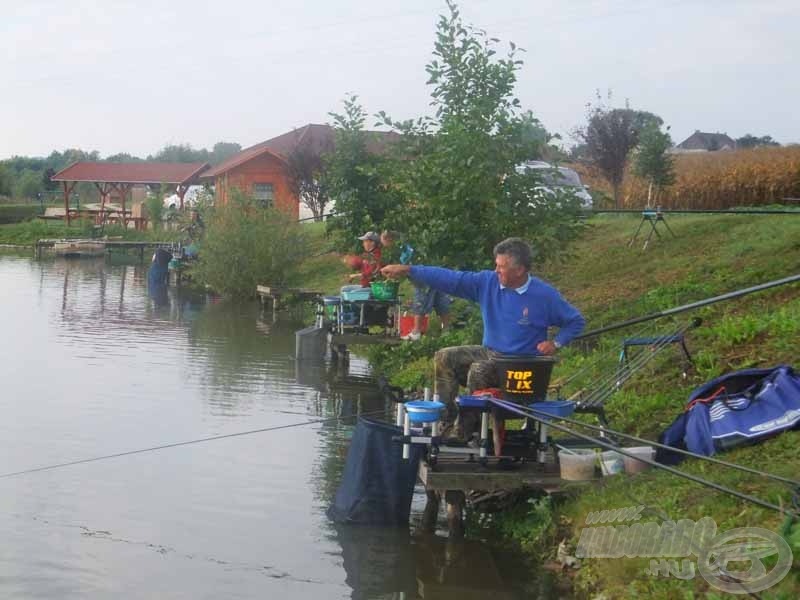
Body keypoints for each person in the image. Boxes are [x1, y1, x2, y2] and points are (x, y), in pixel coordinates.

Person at [381, 237, 585, 438]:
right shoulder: (487, 282)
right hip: (490, 353)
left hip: (522, 366)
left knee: (478, 370)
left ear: (520, 270)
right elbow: (451, 278)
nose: (496, 270)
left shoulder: (544, 295)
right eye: (496, 265)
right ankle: (446, 418)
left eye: (501, 266)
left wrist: (556, 342)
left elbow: (575, 321)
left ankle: (467, 431)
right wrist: (410, 270)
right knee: (445, 356)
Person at [380, 230, 451, 341]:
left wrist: (395, 272)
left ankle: (416, 332)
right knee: (440, 301)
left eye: (385, 244)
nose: (386, 248)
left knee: (420, 301)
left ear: (390, 239)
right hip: (435, 272)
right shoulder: (414, 242)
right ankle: (447, 331)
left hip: (422, 278)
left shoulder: (405, 248)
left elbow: (408, 267)